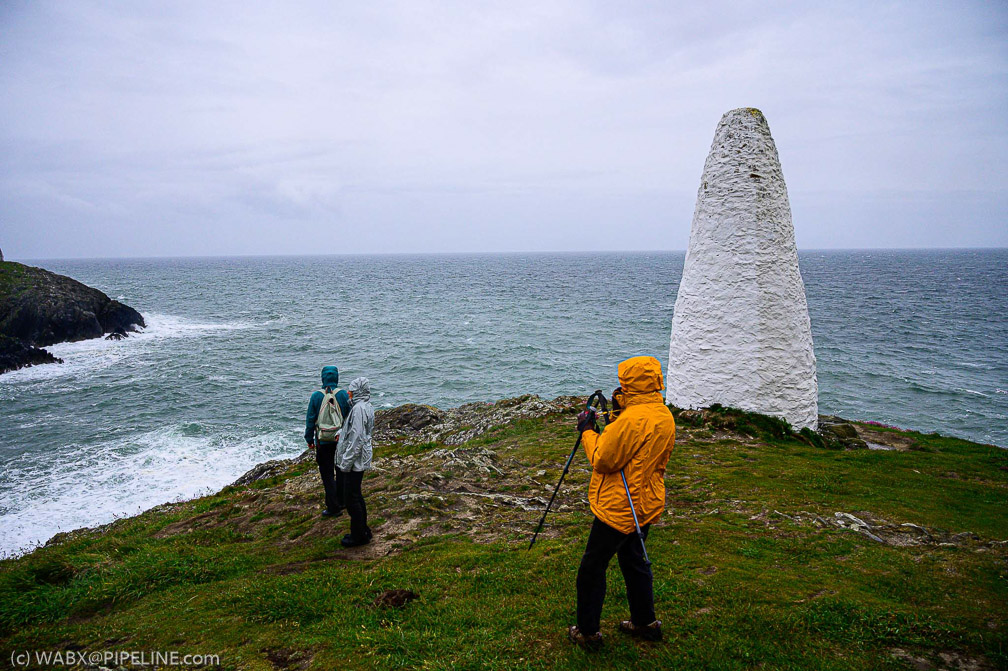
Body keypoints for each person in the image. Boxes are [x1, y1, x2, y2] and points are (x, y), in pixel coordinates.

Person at [567, 356, 676, 649]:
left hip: (619, 504)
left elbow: (604, 460)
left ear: (630, 383)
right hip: (646, 501)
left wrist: (588, 430)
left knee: (592, 568)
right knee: (633, 560)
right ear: (655, 382)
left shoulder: (631, 420)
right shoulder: (663, 414)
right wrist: (619, 410)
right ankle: (645, 622)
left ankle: (588, 633)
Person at [305, 365, 351, 518]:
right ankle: (343, 501)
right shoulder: (343, 394)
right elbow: (349, 417)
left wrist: (309, 439)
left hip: (323, 441)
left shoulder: (316, 396)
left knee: (327, 474)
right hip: (340, 440)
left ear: (323, 378)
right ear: (336, 377)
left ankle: (333, 507)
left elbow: (311, 419)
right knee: (341, 471)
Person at [338, 376, 375, 547]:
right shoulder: (366, 406)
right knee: (356, 495)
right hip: (360, 458)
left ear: (358, 392)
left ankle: (358, 535)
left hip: (355, 460)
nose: (348, 394)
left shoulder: (359, 409)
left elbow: (357, 438)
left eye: (351, 391)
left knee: (351, 498)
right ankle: (363, 530)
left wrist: (346, 462)